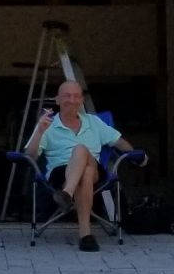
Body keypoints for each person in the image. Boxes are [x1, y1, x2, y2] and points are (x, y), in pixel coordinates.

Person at [28, 78, 126, 251]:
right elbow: (30, 156)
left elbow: (119, 142)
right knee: (85, 173)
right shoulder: (46, 124)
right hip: (61, 172)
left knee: (81, 149)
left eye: (76, 96)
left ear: (81, 100)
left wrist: (138, 155)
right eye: (67, 96)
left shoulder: (93, 122)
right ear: (57, 100)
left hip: (95, 170)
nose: (72, 100)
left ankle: (67, 193)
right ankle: (85, 235)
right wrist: (39, 132)